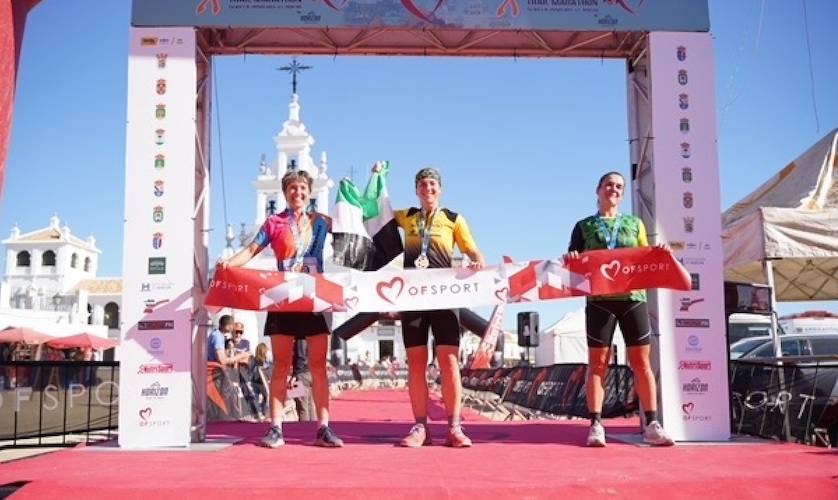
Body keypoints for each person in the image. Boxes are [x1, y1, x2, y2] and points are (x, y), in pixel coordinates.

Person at [219, 168, 343, 448]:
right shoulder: (273, 222)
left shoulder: (321, 221)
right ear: (285, 193)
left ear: (309, 193)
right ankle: (275, 428)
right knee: (282, 366)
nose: (297, 193)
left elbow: (352, 232)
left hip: (315, 298)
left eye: (302, 189)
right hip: (283, 298)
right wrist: (229, 265)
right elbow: (251, 250)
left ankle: (323, 428)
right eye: (292, 189)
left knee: (318, 368)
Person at [564, 171, 674, 447]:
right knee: (597, 365)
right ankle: (596, 425)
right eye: (609, 184)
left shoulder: (634, 223)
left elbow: (644, 257)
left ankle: (652, 424)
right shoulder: (583, 226)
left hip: (632, 299)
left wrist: (658, 250)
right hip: (599, 300)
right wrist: (572, 258)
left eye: (619, 186)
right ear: (598, 190)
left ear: (623, 194)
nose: (614, 189)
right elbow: (571, 262)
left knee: (642, 364)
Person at [381, 165, 486, 448]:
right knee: (416, 363)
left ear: (440, 189)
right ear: (416, 190)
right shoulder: (407, 217)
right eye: (423, 185)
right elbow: (377, 212)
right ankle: (420, 427)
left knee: (449, 361)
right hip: (413, 298)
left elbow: (472, 250)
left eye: (432, 185)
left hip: (444, 298)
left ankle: (454, 427)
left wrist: (476, 259)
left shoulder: (453, 219)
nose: (428, 189)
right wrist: (378, 177)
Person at [251, 342, 271, 422]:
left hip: (255, 381)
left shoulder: (254, 359)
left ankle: (257, 414)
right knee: (266, 397)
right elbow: (268, 369)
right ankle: (265, 413)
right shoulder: (265, 360)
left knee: (255, 398)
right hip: (263, 382)